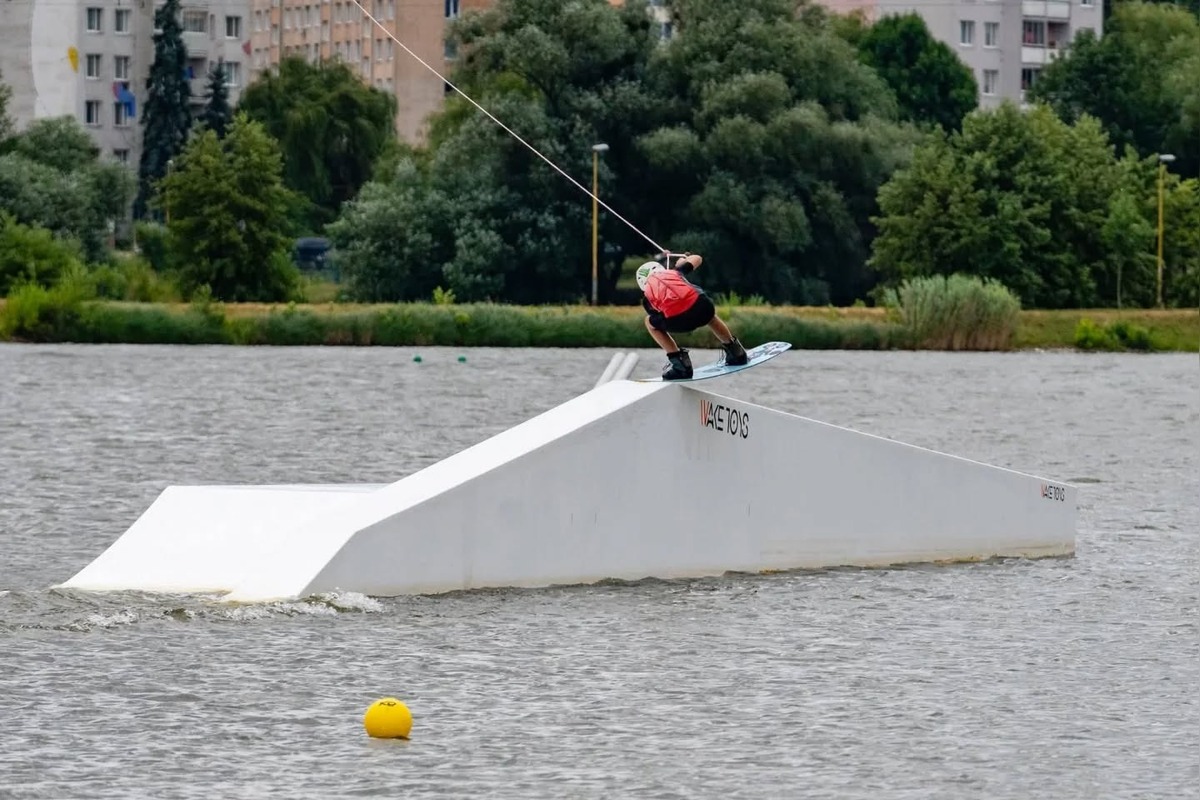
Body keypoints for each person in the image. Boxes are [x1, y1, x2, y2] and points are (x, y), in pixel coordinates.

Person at [636, 252, 748, 380]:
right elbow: (698, 258)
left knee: (649, 323)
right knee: (709, 316)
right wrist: (683, 261)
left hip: (679, 321)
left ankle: (681, 365)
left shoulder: (647, 298)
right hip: (704, 308)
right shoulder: (675, 272)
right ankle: (736, 352)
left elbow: (658, 316)